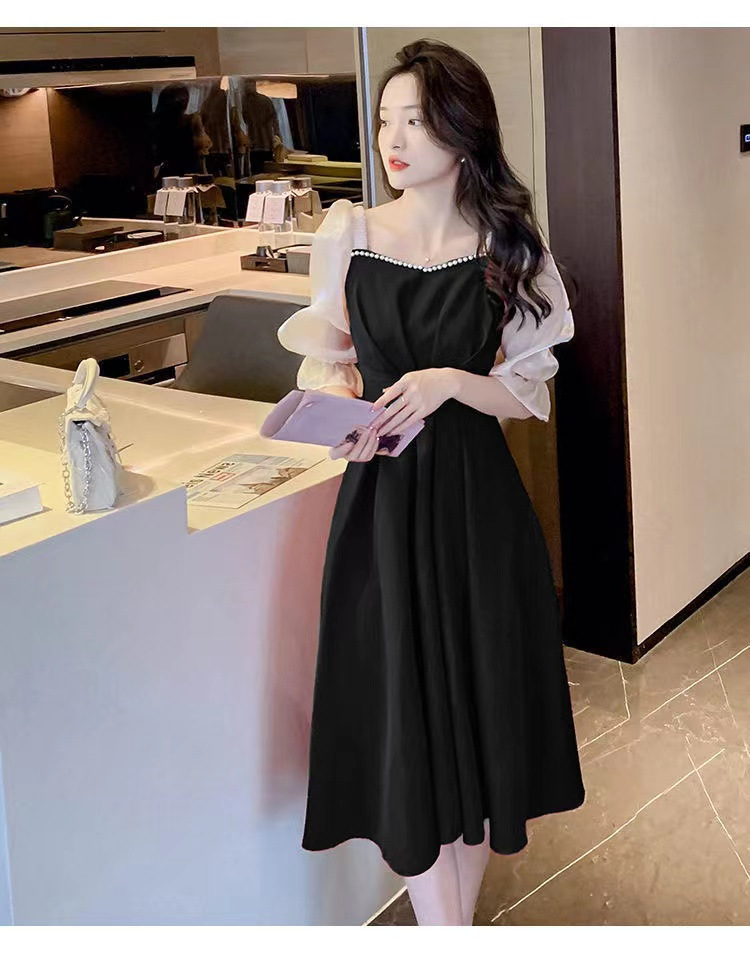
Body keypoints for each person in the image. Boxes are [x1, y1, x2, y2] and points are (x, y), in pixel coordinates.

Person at [277, 38, 585, 927]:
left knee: (482, 730)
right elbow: (331, 365)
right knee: (405, 731)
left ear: (462, 128)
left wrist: (450, 382)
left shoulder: (509, 245)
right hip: (382, 507)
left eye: (416, 120)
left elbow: (526, 393)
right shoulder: (350, 233)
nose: (394, 139)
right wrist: (341, 416)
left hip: (479, 510)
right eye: (386, 120)